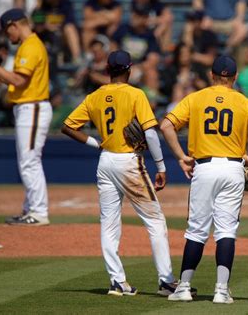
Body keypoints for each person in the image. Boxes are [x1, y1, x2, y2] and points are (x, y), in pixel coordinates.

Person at [61, 50, 182, 297]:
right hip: (129, 162)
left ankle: (117, 281)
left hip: (105, 161)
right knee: (155, 220)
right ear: (129, 70)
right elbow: (149, 133)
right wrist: (161, 166)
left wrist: (97, 144)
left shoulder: (94, 96)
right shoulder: (136, 94)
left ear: (108, 70)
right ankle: (166, 281)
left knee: (109, 223)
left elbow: (68, 126)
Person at [160, 55, 248, 304]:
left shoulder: (196, 98)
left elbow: (166, 125)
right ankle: (221, 290)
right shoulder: (244, 102)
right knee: (226, 231)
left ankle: (184, 287)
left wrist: (181, 157)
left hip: (204, 167)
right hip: (233, 167)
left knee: (197, 230)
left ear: (212, 76)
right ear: (234, 78)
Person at [0, 9, 52, 225]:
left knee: (29, 161)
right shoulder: (28, 45)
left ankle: (39, 212)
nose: (7, 36)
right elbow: (17, 80)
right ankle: (30, 209)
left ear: (14, 25)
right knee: (27, 161)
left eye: (7, 30)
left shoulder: (31, 46)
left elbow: (19, 80)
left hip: (32, 107)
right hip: (28, 107)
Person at [111, 5, 161, 108]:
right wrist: (125, 67)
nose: (134, 17)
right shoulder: (123, 29)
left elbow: (153, 59)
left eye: (139, 15)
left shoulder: (150, 36)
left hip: (140, 69)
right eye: (134, 14)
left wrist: (138, 68)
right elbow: (112, 49)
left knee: (152, 74)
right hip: (121, 67)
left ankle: (151, 109)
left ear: (145, 18)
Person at [38, 0, 81, 64]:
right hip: (47, 35)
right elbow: (37, 23)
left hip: (62, 35)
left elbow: (69, 21)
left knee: (69, 28)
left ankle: (77, 58)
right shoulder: (43, 6)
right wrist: (46, 26)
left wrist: (55, 26)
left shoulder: (66, 4)